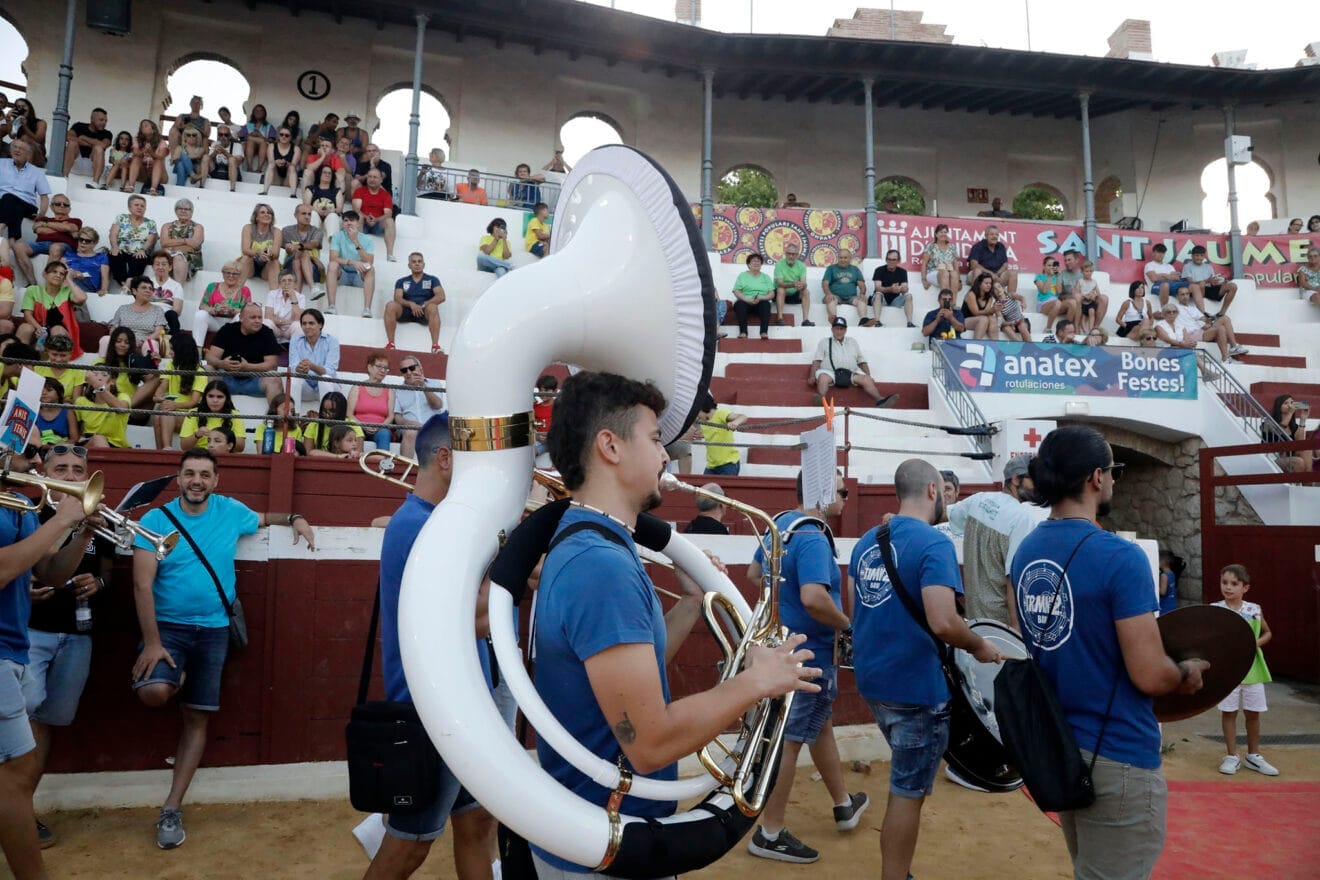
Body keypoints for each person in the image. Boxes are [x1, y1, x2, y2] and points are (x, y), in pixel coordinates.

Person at [532, 370, 821, 877]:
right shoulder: (601, 565)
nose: (666, 455)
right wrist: (758, 680)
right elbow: (651, 744)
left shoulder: (593, 546)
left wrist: (690, 604)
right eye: (654, 438)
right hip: (606, 846)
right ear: (610, 447)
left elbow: (628, 681)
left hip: (598, 834)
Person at [1012, 426, 1211, 877]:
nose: (1115, 480)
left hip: (1059, 747)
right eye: (1114, 470)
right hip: (1116, 750)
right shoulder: (1119, 557)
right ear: (1095, 478)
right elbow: (1149, 675)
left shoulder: (1027, 551)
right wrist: (1184, 672)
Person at [131, 448, 314, 849]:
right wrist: (153, 643)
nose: (197, 480)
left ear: (216, 481)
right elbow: (142, 584)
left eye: (204, 475)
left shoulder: (230, 511)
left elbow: (269, 518)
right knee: (155, 691)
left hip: (214, 631)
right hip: (169, 630)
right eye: (189, 474)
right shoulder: (155, 520)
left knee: (198, 718)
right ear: (178, 479)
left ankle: (172, 807)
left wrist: (296, 518)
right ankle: (172, 674)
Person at [361, 414, 505, 880]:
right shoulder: (419, 526)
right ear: (445, 459)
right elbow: (480, 619)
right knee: (409, 847)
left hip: (458, 709)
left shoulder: (436, 523)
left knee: (476, 822)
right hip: (435, 715)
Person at [848, 458, 1002, 880]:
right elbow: (943, 621)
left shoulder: (865, 542)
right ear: (934, 491)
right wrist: (981, 645)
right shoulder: (934, 544)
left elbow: (855, 607)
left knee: (905, 782)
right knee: (907, 793)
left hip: (874, 682)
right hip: (916, 688)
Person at [747, 470, 868, 864]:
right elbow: (815, 598)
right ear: (819, 492)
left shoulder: (781, 524)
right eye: (840, 491)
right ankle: (770, 832)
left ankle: (843, 804)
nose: (846, 497)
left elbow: (754, 574)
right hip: (811, 652)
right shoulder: (813, 536)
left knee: (819, 727)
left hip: (785, 646)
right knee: (792, 738)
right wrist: (847, 625)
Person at [22, 445, 115, 847]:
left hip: (77, 635)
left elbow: (107, 569)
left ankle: (20, 809)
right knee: (20, 724)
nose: (72, 477)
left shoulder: (95, 517)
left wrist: (101, 583)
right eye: (62, 469)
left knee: (44, 725)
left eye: (79, 469)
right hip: (30, 633)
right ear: (44, 472)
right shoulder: (27, 513)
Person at [0, 466, 87, 879]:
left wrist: (83, 531)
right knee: (14, 776)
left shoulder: (19, 505)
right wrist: (64, 519)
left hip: (12, 650)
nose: (23, 459)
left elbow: (52, 573)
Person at [946, 456, 1038, 631]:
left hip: (975, 625)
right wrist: (1017, 631)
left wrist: (902, 519)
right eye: (1034, 479)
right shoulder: (1021, 519)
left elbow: (942, 514)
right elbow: (1014, 578)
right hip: (1001, 628)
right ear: (1016, 479)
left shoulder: (978, 500)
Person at [1212, 563, 1277, 777]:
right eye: (1224, 583)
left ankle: (1253, 755)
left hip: (1252, 669)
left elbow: (1267, 633)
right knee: (1228, 712)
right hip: (1228, 671)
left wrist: (1255, 644)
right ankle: (1231, 755)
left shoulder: (1254, 609)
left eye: (1234, 583)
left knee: (1253, 713)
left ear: (1245, 588)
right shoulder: (1215, 609)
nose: (1228, 587)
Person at [811, 317, 898, 408]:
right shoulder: (824, 342)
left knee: (866, 379)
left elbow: (861, 361)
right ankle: (821, 399)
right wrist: (812, 376)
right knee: (823, 378)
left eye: (842, 329)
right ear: (832, 329)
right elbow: (817, 361)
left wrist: (868, 375)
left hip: (850, 373)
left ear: (845, 330)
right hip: (830, 373)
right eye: (837, 328)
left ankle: (880, 400)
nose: (839, 331)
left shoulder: (852, 342)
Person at [204, 303, 282, 402]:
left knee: (274, 378)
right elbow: (210, 357)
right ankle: (200, 413)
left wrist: (247, 367)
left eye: (259, 317)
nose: (257, 321)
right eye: (253, 317)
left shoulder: (267, 333)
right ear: (241, 318)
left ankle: (276, 416)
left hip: (255, 380)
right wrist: (222, 364)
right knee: (206, 369)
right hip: (227, 379)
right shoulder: (227, 330)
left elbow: (272, 365)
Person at [12, 194, 80, 288]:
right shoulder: (44, 219)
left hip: (64, 246)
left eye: (65, 205)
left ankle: (46, 286)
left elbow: (70, 227)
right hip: (41, 244)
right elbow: (38, 229)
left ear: (69, 209)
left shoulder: (76, 220)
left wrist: (45, 225)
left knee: (55, 247)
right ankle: (32, 284)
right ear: (51, 207)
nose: (62, 206)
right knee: (18, 246)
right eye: (58, 204)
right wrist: (64, 230)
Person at [152, 333, 206, 449]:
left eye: (173, 349)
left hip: (190, 415)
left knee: (165, 412)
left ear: (182, 351)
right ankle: (161, 452)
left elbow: (194, 402)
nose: (170, 352)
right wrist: (159, 397)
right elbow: (162, 387)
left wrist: (174, 405)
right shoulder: (171, 365)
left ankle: (167, 448)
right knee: (157, 415)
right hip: (173, 412)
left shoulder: (200, 372)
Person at [22, 262, 87, 357]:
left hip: (61, 331)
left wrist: (69, 279)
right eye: (54, 272)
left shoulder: (67, 291)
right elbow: (27, 314)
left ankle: (56, 362)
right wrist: (39, 329)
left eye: (62, 274)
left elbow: (81, 298)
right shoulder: (33, 290)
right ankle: (19, 361)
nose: (58, 275)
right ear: (45, 274)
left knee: (57, 330)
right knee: (25, 328)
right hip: (38, 327)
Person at [385, 253, 444, 354]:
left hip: (424, 312)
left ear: (424, 265)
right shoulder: (401, 281)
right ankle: (391, 344)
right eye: (414, 262)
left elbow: (441, 296)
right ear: (409, 265)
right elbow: (397, 298)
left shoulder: (432, 279)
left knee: (433, 307)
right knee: (391, 305)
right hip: (406, 311)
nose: (417, 264)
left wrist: (424, 305)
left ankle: (435, 346)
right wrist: (411, 304)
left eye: (419, 261)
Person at [326, 211, 376, 318]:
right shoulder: (337, 236)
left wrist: (355, 241)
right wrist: (352, 262)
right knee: (332, 265)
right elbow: (333, 258)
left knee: (371, 269)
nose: (349, 223)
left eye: (352, 220)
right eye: (346, 220)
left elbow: (370, 261)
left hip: (359, 275)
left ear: (358, 223)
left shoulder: (367, 239)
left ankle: (367, 309)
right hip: (342, 274)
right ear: (343, 223)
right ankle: (331, 306)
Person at [393, 355, 444, 458]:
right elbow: (397, 417)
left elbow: (437, 405)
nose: (408, 372)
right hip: (409, 429)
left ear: (420, 368)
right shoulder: (398, 390)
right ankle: (405, 468)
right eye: (404, 370)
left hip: (432, 427)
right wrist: (409, 423)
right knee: (410, 432)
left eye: (411, 368)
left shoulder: (434, 384)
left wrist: (423, 386)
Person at [0, 141, 50, 245]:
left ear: (28, 154)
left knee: (9, 198)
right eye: (15, 147)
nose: (17, 150)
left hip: (27, 205)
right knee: (11, 203)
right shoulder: (1, 163)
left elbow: (44, 197)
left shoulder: (37, 172)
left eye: (21, 149)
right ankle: (13, 241)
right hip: (5, 203)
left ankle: (1, 227)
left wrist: (41, 214)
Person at [191, 262, 252, 347]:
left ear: (239, 276)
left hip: (233, 322)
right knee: (200, 315)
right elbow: (202, 306)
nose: (231, 276)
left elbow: (248, 311)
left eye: (235, 273)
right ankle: (197, 351)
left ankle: (234, 351)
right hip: (214, 321)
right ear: (223, 274)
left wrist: (233, 310)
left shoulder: (244, 290)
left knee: (240, 317)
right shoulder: (212, 286)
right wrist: (214, 310)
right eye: (228, 272)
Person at [107, 277, 168, 360]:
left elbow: (159, 332)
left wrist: (142, 341)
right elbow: (113, 330)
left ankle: (150, 371)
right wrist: (126, 341)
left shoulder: (157, 310)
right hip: (124, 342)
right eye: (144, 288)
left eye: (150, 288)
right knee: (105, 340)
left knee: (151, 343)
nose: (148, 291)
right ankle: (103, 369)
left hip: (145, 343)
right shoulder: (123, 309)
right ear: (134, 291)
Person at [348, 351, 395, 451]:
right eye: (379, 366)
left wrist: (379, 426)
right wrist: (363, 425)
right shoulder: (357, 387)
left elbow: (391, 415)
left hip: (380, 428)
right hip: (359, 426)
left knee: (385, 433)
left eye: (386, 368)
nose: (383, 370)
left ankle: (383, 464)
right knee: (355, 432)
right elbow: (349, 414)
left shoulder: (389, 390)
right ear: (369, 367)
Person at [288, 309, 339, 402]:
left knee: (325, 379)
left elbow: (330, 371)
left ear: (320, 325)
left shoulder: (332, 341)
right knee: (294, 379)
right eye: (304, 323)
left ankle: (325, 416)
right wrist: (299, 368)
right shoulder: (295, 340)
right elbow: (293, 366)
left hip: (329, 389)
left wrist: (311, 366)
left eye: (311, 323)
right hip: (306, 388)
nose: (307, 326)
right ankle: (294, 415)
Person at [74, 367, 131, 448]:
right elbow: (77, 434)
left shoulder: (122, 397)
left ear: (112, 381)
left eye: (104, 374)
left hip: (117, 446)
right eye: (95, 375)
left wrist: (97, 385)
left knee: (99, 439)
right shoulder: (81, 401)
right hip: (88, 444)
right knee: (98, 439)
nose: (99, 377)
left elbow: (121, 408)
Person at [108, 194, 158, 285]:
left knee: (140, 258)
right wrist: (115, 247)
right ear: (129, 207)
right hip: (121, 249)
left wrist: (142, 250)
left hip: (139, 251)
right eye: (136, 205)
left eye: (142, 206)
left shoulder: (150, 223)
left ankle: (129, 282)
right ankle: (124, 283)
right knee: (115, 256)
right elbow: (113, 234)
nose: (140, 208)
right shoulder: (121, 218)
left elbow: (150, 240)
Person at [180, 380, 244, 452]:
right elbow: (184, 447)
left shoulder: (234, 414)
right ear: (205, 397)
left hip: (224, 455)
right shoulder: (193, 413)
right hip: (200, 455)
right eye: (211, 396)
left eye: (220, 397)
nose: (215, 400)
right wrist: (197, 435)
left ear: (226, 399)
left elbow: (241, 447)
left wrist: (224, 437)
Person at [693, 392, 746, 476]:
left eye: (696, 411)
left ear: (702, 407)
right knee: (705, 488)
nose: (696, 415)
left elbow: (743, 417)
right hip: (711, 466)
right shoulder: (703, 422)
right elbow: (709, 434)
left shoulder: (720, 413)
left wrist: (735, 423)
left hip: (728, 464)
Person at [281, 203, 325, 297]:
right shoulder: (286, 231)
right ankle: (312, 288)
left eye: (309, 214)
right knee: (302, 254)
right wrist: (290, 248)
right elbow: (289, 252)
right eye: (304, 214)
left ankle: (297, 296)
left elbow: (313, 244)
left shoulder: (316, 231)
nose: (307, 217)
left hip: (312, 268)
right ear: (295, 215)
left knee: (300, 258)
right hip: (289, 266)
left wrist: (297, 247)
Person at [1180, 245, 1238, 317]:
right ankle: (1202, 312)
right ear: (1192, 256)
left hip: (1209, 289)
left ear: (1204, 257)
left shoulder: (1208, 267)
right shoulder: (1187, 266)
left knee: (1233, 286)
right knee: (1201, 284)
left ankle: (1222, 313)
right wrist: (1207, 281)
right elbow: (1191, 283)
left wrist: (1221, 282)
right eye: (1196, 255)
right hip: (1196, 290)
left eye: (1201, 255)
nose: (1199, 258)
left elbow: (1212, 282)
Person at [353, 169, 396, 262]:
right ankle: (359, 252)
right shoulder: (360, 191)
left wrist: (376, 219)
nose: (372, 179)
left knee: (390, 221)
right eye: (370, 176)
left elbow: (388, 213)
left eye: (375, 177)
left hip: (378, 224)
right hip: (363, 223)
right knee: (358, 216)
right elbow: (356, 209)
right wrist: (366, 217)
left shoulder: (385, 195)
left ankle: (390, 255)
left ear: (381, 180)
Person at [159, 199, 204, 287]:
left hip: (189, 258)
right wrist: (185, 241)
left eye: (187, 209)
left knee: (179, 256)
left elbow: (194, 245)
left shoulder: (197, 227)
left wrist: (172, 245)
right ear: (176, 211)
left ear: (192, 212)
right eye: (180, 208)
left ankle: (178, 291)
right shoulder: (167, 226)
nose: (183, 211)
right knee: (163, 258)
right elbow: (163, 243)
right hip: (168, 255)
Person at [238, 203, 283, 290]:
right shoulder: (248, 228)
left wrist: (268, 254)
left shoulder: (276, 231)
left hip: (267, 266)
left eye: (269, 213)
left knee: (274, 261)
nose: (267, 214)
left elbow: (276, 253)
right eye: (263, 212)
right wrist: (259, 253)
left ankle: (275, 299)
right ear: (256, 217)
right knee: (246, 257)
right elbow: (245, 249)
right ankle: (235, 294)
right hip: (251, 265)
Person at [62, 107, 113, 182]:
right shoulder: (79, 126)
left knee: (98, 148)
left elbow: (104, 145)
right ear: (92, 119)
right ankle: (64, 177)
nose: (104, 123)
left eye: (105, 121)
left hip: (93, 166)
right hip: (75, 163)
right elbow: (68, 137)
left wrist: (84, 138)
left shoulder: (107, 133)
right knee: (72, 143)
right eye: (101, 120)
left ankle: (95, 183)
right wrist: (92, 144)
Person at [1263, 394, 1311, 473]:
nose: (1289, 405)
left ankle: (1307, 484)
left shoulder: (1293, 426)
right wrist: (1290, 413)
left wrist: (1303, 419)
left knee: (1307, 451)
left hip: (1289, 456)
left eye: (1291, 403)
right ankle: (1300, 483)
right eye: (1286, 403)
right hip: (1272, 458)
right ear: (1279, 406)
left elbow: (1300, 442)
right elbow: (1279, 431)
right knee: (1298, 462)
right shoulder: (1268, 423)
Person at [732, 252, 775, 339]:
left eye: (758, 261)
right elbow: (736, 291)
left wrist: (762, 297)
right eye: (753, 261)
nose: (756, 263)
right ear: (748, 264)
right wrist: (747, 299)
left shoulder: (766, 277)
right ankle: (743, 332)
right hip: (746, 301)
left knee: (766, 304)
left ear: (761, 264)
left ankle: (764, 332)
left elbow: (772, 293)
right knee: (739, 304)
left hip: (761, 301)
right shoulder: (743, 276)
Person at [821, 249, 868, 325]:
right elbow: (825, 284)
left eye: (845, 258)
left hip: (851, 297)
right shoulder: (831, 268)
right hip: (835, 296)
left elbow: (862, 285)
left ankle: (863, 320)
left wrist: (862, 294)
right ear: (838, 258)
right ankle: (834, 320)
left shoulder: (855, 269)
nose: (843, 260)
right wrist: (828, 294)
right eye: (841, 257)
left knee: (862, 300)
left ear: (850, 258)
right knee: (830, 299)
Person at [62, 228, 110, 302]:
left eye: (87, 241)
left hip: (87, 284)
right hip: (70, 281)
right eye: (81, 239)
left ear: (94, 243)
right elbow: (59, 267)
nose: (83, 242)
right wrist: (73, 272)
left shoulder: (101, 257)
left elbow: (105, 276)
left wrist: (103, 289)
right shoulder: (69, 255)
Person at [967, 225, 1016, 295]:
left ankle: (1010, 300)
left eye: (996, 234)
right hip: (981, 275)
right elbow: (973, 265)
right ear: (986, 236)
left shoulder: (1001, 246)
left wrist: (997, 274)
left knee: (1013, 273)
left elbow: (1005, 264)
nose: (994, 237)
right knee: (977, 271)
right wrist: (990, 274)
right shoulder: (978, 246)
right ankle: (977, 298)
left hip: (997, 275)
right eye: (992, 234)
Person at [772, 241, 812, 326]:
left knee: (806, 291)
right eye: (789, 253)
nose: (791, 256)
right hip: (780, 295)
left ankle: (805, 320)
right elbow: (779, 283)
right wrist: (792, 284)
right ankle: (780, 318)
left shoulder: (801, 265)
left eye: (793, 254)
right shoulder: (779, 264)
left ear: (797, 255)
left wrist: (801, 285)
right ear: (785, 254)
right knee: (781, 289)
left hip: (794, 294)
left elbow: (804, 282)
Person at [126, 119, 170, 196]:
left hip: (160, 177)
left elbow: (162, 156)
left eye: (146, 125)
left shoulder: (162, 142)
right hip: (144, 174)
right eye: (141, 126)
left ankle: (153, 189)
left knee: (158, 160)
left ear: (153, 129)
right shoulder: (136, 140)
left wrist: (151, 152)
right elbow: (136, 153)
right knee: (136, 158)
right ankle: (131, 186)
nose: (143, 127)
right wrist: (144, 151)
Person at [872, 249, 914, 327]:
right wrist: (890, 289)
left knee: (908, 296)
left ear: (898, 260)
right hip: (882, 300)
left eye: (894, 260)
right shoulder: (879, 270)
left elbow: (905, 288)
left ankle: (910, 323)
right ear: (886, 259)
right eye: (889, 259)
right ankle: (877, 321)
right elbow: (877, 288)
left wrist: (900, 288)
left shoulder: (902, 271)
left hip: (895, 300)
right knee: (877, 294)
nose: (891, 262)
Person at [35, 378, 80, 449]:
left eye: (49, 390)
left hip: (61, 450)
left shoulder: (68, 411)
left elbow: (74, 439)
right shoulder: (34, 411)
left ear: (59, 394)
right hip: (38, 449)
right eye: (41, 390)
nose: (44, 393)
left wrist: (54, 447)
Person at [264, 270, 305, 341]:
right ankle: (267, 350)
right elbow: (268, 316)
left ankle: (296, 351)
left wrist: (293, 298)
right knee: (267, 323)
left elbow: (298, 319)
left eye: (290, 280)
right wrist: (287, 321)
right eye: (283, 281)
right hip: (276, 327)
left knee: (297, 325)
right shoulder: (272, 294)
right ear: (279, 284)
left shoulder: (301, 297)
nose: (287, 283)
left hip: (290, 329)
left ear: (295, 284)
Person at [260, 126, 301, 195]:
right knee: (271, 165)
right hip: (275, 177)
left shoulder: (296, 149)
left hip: (288, 178)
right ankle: (265, 191)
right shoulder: (272, 146)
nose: (283, 137)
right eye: (281, 134)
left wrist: (286, 163)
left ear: (291, 137)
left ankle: (293, 194)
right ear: (278, 136)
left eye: (287, 135)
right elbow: (271, 161)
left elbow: (294, 164)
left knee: (292, 167)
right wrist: (276, 162)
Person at [920, 224, 959, 296]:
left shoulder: (952, 247)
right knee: (945, 273)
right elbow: (924, 263)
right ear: (936, 234)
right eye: (941, 232)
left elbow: (955, 264)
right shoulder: (931, 246)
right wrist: (923, 279)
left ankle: (953, 304)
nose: (943, 234)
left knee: (953, 273)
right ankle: (945, 303)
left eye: (945, 232)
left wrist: (958, 280)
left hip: (949, 273)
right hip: (933, 273)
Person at [303, 156, 344, 223]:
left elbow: (340, 209)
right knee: (313, 214)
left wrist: (330, 211)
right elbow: (306, 205)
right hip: (315, 216)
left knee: (333, 216)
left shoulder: (337, 191)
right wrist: (317, 210)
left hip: (330, 217)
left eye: (329, 173)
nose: (327, 175)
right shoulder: (311, 189)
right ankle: (313, 233)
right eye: (324, 172)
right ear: (319, 175)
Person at [8, 99, 47, 167]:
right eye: (18, 107)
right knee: (16, 143)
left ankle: (26, 171)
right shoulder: (17, 122)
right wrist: (8, 119)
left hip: (38, 156)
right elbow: (12, 136)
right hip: (20, 153)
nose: (21, 109)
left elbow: (39, 139)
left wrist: (25, 127)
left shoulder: (40, 123)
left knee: (24, 138)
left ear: (29, 108)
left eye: (23, 106)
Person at [962, 273, 1000, 340]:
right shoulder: (971, 294)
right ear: (979, 284)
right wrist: (991, 310)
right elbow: (975, 313)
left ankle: (995, 343)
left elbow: (986, 312)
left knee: (992, 318)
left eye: (990, 283)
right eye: (986, 283)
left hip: (980, 319)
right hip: (965, 320)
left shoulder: (989, 297)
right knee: (983, 319)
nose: (989, 285)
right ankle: (977, 342)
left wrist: (994, 310)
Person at [241, 104, 276, 173]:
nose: (258, 112)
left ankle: (259, 169)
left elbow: (272, 140)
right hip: (250, 147)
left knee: (263, 142)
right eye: (256, 111)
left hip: (264, 147)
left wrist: (260, 136)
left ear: (264, 113)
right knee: (250, 141)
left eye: (261, 111)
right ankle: (250, 167)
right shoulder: (248, 125)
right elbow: (242, 138)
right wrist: (250, 135)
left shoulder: (269, 126)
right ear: (253, 113)